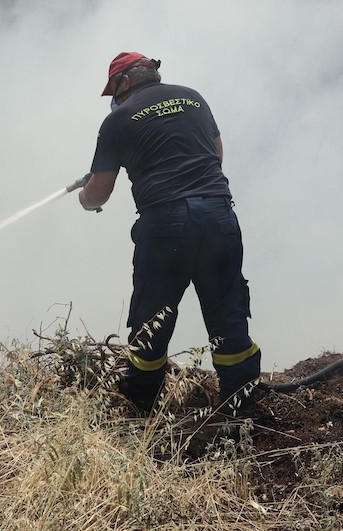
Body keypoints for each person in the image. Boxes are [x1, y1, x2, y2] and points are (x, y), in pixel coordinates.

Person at [79, 51, 261, 415]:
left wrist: (86, 195)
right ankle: (240, 409)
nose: (113, 100)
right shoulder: (193, 97)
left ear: (124, 82)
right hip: (218, 215)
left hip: (166, 225)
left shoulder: (117, 120)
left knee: (152, 318)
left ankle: (139, 407)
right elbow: (216, 154)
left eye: (113, 91)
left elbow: (98, 193)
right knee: (228, 312)